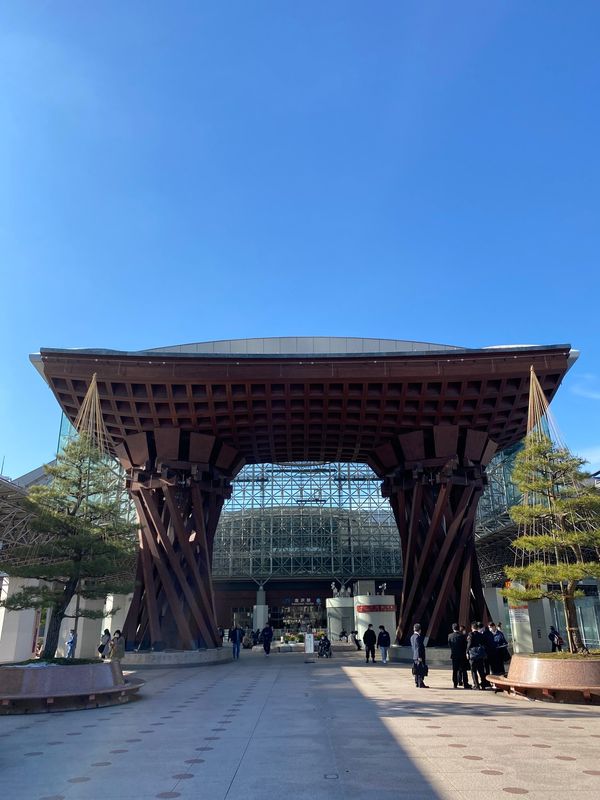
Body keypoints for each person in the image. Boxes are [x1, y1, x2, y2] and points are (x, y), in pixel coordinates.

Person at [467, 622, 489, 690]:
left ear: (472, 628)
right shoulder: (481, 635)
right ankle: (483, 684)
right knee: (481, 670)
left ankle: (476, 685)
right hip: (480, 655)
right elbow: (484, 643)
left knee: (473, 671)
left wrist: (467, 652)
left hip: (473, 655)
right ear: (477, 628)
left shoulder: (471, 634)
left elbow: (469, 644)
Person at [448, 623, 471, 689]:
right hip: (462, 656)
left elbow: (449, 645)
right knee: (464, 670)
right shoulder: (462, 636)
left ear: (453, 628)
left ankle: (455, 683)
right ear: (458, 628)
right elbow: (465, 645)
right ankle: (465, 683)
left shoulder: (450, 636)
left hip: (454, 655)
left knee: (455, 670)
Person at [410, 623, 428, 688]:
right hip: (419, 656)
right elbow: (418, 647)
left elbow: (413, 648)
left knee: (416, 669)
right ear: (419, 630)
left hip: (415, 655)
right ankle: (420, 683)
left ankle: (417, 682)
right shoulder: (418, 637)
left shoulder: (412, 637)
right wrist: (419, 657)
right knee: (420, 670)